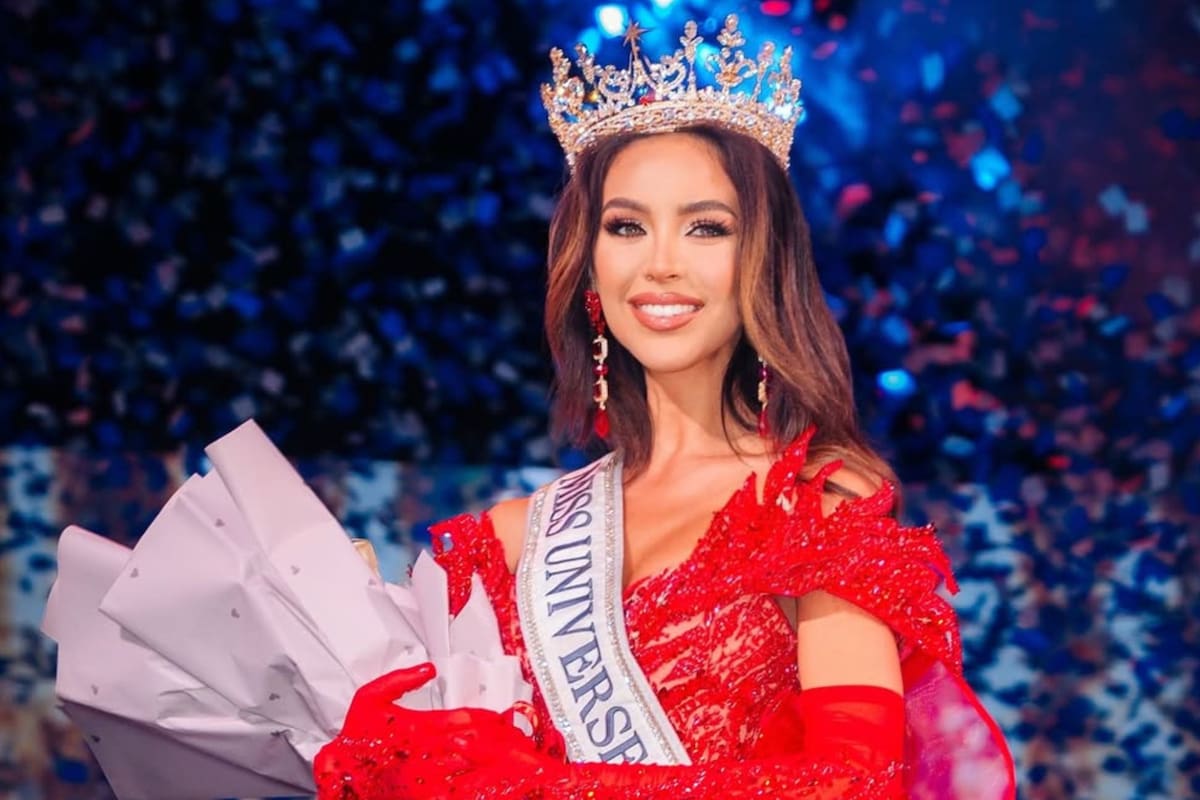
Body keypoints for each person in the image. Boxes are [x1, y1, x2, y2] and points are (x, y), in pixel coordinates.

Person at [313, 15, 1015, 800]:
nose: (661, 265)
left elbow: (856, 783)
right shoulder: (506, 543)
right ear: (591, 263)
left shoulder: (813, 504)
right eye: (627, 227)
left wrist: (537, 790)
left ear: (762, 262)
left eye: (706, 228)